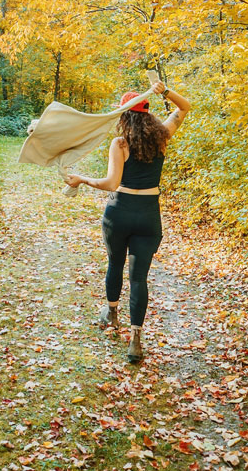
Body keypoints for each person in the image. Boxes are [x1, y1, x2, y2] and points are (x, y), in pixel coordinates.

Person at [64, 80, 191, 362]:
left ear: (124, 115)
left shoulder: (119, 143)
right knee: (138, 278)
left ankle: (111, 313)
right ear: (147, 112)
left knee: (115, 263)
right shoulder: (163, 135)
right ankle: (135, 340)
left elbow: (111, 183)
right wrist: (165, 91)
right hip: (148, 216)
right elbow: (186, 107)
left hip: (119, 213)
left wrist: (82, 179)